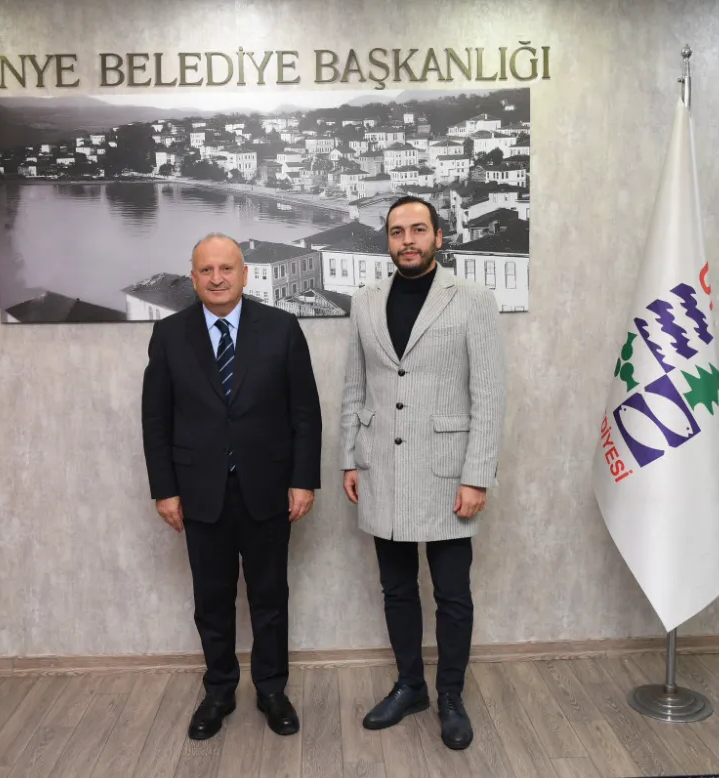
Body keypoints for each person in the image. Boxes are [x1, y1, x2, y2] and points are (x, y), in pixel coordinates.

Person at [339, 196, 506, 750]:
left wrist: (477, 475)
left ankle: (450, 695)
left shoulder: (473, 299)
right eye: (396, 232)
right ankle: (410, 685)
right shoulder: (365, 302)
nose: (406, 240)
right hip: (381, 467)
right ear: (387, 240)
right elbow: (354, 386)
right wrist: (348, 457)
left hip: (446, 472)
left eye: (417, 230)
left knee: (452, 594)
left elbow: (489, 395)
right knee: (396, 588)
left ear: (438, 235)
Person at [141, 233, 322, 741]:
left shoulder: (282, 328)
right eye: (206, 270)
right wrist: (164, 490)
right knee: (212, 601)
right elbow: (155, 420)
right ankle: (219, 691)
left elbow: (305, 413)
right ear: (193, 277)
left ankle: (271, 690)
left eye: (226, 269)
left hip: (268, 489)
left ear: (244, 274)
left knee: (270, 598)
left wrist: (303, 480)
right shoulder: (170, 335)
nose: (217, 278)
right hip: (200, 494)